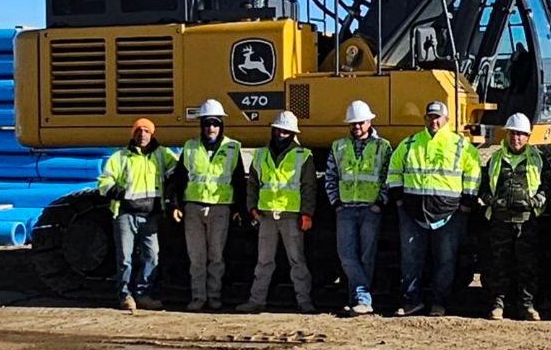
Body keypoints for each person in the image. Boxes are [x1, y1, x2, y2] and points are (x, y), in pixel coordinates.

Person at [385, 99, 479, 317]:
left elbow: (473, 174)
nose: (434, 121)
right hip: (412, 213)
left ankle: (439, 302)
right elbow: (394, 170)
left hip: (450, 213)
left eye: (438, 117)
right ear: (425, 119)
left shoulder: (461, 145)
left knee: (445, 260)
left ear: (446, 119)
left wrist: (466, 205)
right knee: (410, 259)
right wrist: (399, 201)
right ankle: (411, 301)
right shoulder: (409, 144)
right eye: (430, 117)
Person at [167, 98, 244, 311]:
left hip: (220, 207)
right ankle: (198, 297)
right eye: (207, 124)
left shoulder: (232, 148)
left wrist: (239, 210)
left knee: (216, 256)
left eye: (215, 123)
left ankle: (214, 296)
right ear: (201, 125)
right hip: (193, 208)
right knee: (197, 258)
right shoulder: (190, 147)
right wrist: (175, 205)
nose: (211, 128)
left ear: (221, 125)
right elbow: (179, 179)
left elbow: (238, 181)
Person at [238, 110, 318, 314]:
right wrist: (252, 208)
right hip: (266, 217)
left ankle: (304, 301)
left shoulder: (303, 156)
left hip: (291, 217)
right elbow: (253, 184)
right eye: (279, 130)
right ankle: (256, 301)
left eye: (286, 131)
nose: (282, 134)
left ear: (292, 133)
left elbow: (308, 187)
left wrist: (307, 213)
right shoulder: (260, 155)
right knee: (263, 261)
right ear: (273, 130)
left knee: (297, 261)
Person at [96, 117, 178, 312]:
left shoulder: (162, 154)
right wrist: (121, 194)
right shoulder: (120, 157)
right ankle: (125, 295)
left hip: (150, 215)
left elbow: (177, 171)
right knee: (125, 257)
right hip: (125, 214)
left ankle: (143, 294)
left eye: (146, 131)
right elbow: (103, 182)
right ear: (133, 134)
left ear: (152, 134)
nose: (142, 135)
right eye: (139, 131)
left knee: (153, 256)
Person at [478, 112, 547, 321]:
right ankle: (497, 304)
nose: (516, 138)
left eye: (520, 134)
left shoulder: (537, 160)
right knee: (498, 265)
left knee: (527, 266)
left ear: (527, 136)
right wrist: (492, 202)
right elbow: (482, 187)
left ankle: (526, 305)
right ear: (506, 135)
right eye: (512, 134)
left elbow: (548, 187)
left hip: (527, 222)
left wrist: (535, 203)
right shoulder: (495, 159)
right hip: (500, 221)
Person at [326, 99, 391, 315]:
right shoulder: (339, 146)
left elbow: (387, 177)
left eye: (361, 123)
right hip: (346, 208)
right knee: (346, 255)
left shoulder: (383, 146)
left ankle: (358, 300)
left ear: (369, 121)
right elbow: (331, 176)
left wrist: (380, 202)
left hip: (370, 208)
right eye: (354, 124)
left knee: (366, 256)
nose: (357, 127)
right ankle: (363, 299)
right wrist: (336, 202)